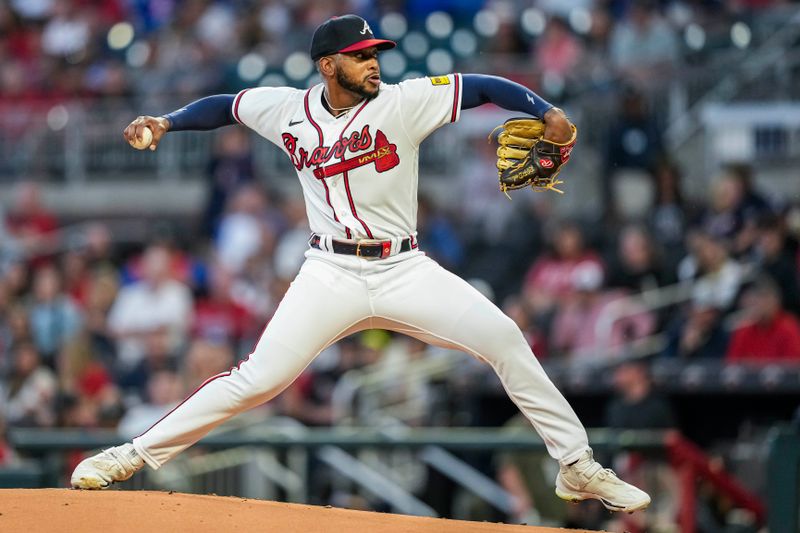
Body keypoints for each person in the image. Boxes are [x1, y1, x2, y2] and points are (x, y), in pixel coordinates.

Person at [71, 14, 650, 513]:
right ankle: (131, 454)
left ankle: (576, 463)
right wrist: (166, 122)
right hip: (329, 273)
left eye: (375, 54)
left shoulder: (404, 101)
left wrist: (544, 109)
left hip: (404, 268)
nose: (374, 63)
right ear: (328, 66)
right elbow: (226, 106)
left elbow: (480, 86)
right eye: (360, 56)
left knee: (503, 337)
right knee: (258, 380)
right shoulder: (288, 110)